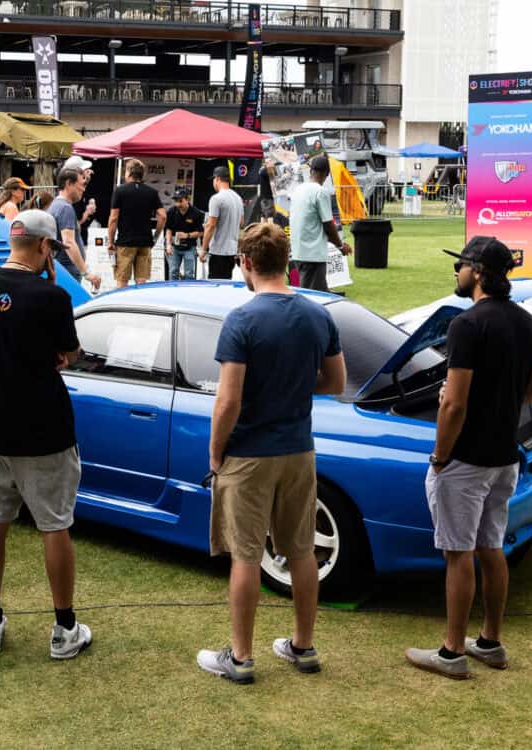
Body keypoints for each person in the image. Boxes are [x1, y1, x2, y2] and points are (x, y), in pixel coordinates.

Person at [196, 222, 346, 685]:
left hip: (250, 454)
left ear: (245, 262)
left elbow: (229, 400)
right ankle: (303, 646)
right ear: (288, 261)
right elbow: (336, 383)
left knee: (245, 555)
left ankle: (240, 658)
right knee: (301, 550)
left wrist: (215, 453)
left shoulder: (242, 319)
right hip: (299, 450)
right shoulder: (318, 315)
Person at [405, 236, 532, 680]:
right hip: (505, 457)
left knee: (458, 553)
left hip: (465, 459)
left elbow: (454, 405)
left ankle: (451, 653)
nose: (456, 274)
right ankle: (490, 642)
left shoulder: (465, 325)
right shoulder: (526, 321)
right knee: (491, 548)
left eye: (461, 266)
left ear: (479, 272)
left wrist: (440, 456)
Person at [0, 209, 92, 660]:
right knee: (55, 524)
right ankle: (64, 627)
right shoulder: (51, 295)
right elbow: (70, 352)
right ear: (44, 246)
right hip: (44, 425)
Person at [288, 155, 353, 292]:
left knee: (315, 292)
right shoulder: (320, 192)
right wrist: (340, 246)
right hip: (313, 254)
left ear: (311, 171)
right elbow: (328, 224)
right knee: (313, 296)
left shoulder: (298, 190)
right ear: (327, 174)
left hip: (299, 251)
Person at [108, 158, 166, 288]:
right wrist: (155, 237)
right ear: (142, 174)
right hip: (145, 242)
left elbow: (113, 218)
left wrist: (111, 241)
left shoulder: (120, 191)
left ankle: (122, 307)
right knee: (141, 281)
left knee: (122, 280)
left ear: (128, 173)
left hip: (125, 242)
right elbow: (162, 216)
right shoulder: (152, 192)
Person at [47, 169, 101, 288]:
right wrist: (86, 273)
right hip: (68, 271)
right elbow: (69, 242)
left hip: (63, 269)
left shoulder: (56, 205)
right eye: (81, 185)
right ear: (69, 184)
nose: (83, 189)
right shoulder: (65, 208)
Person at [200, 165, 244, 280]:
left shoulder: (216, 198)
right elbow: (241, 223)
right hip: (232, 251)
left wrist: (203, 249)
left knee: (215, 286)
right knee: (226, 285)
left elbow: (210, 226)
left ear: (217, 179)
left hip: (218, 251)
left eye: (214, 180)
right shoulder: (238, 198)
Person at [164, 188, 205, 280]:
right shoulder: (171, 211)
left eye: (180, 201)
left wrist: (187, 235)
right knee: (173, 271)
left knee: (189, 273)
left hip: (189, 247)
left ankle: (188, 293)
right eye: (176, 201)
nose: (178, 204)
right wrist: (168, 244)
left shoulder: (196, 213)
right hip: (175, 247)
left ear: (187, 200)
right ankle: (172, 291)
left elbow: (201, 232)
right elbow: (168, 229)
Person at [62, 155, 96, 247]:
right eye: (82, 174)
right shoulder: (65, 207)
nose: (85, 177)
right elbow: (69, 241)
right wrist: (87, 212)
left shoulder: (67, 203)